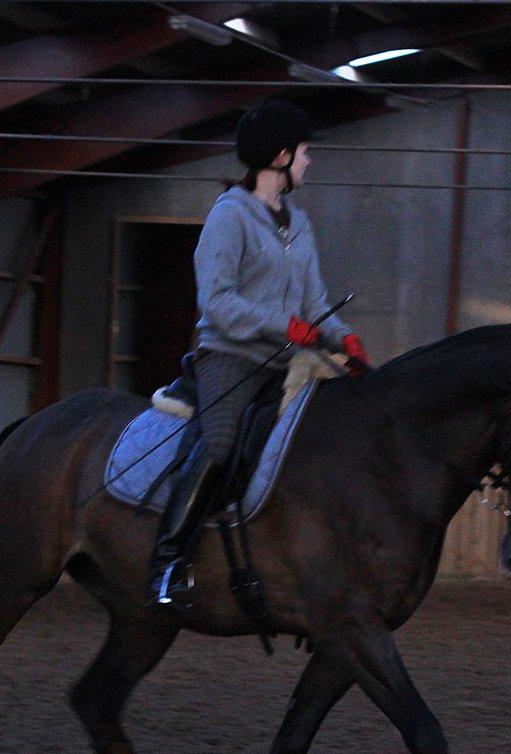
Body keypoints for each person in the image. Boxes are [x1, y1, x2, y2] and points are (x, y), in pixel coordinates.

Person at [147, 97, 371, 605]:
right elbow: (218, 302)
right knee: (221, 445)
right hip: (230, 358)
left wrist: (343, 337)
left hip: (284, 363)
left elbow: (315, 303)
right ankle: (166, 563)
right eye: (305, 152)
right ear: (280, 156)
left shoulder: (300, 224)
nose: (309, 162)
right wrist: (284, 326)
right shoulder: (229, 217)